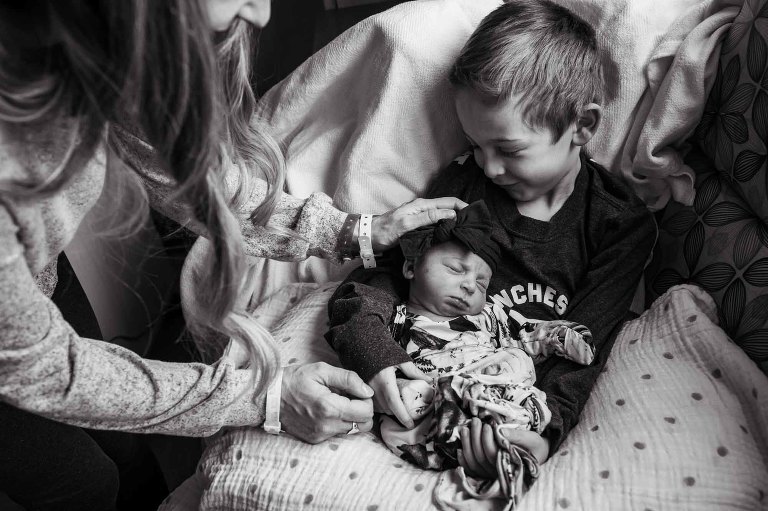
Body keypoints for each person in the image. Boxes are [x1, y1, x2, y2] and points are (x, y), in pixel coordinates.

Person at [0, 0, 464, 509]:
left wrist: (355, 232)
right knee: (84, 483)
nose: (261, 13)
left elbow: (193, 180)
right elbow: (46, 370)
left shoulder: (96, 47)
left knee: (124, 447)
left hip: (34, 284)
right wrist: (262, 399)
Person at [326, 0, 657, 481]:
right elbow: (384, 278)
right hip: (427, 375)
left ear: (582, 126)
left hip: (520, 394)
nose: (490, 167)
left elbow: (588, 342)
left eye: (509, 149)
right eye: (477, 145)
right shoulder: (464, 188)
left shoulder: (619, 225)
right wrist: (379, 359)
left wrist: (544, 432)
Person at [368, 200, 596, 500]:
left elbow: (524, 335)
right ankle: (480, 448)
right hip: (438, 401)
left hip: (494, 387)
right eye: (454, 269)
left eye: (482, 283)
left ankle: (505, 447)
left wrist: (555, 337)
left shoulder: (487, 314)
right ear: (411, 267)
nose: (469, 287)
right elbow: (377, 362)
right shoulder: (394, 316)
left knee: (516, 359)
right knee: (403, 403)